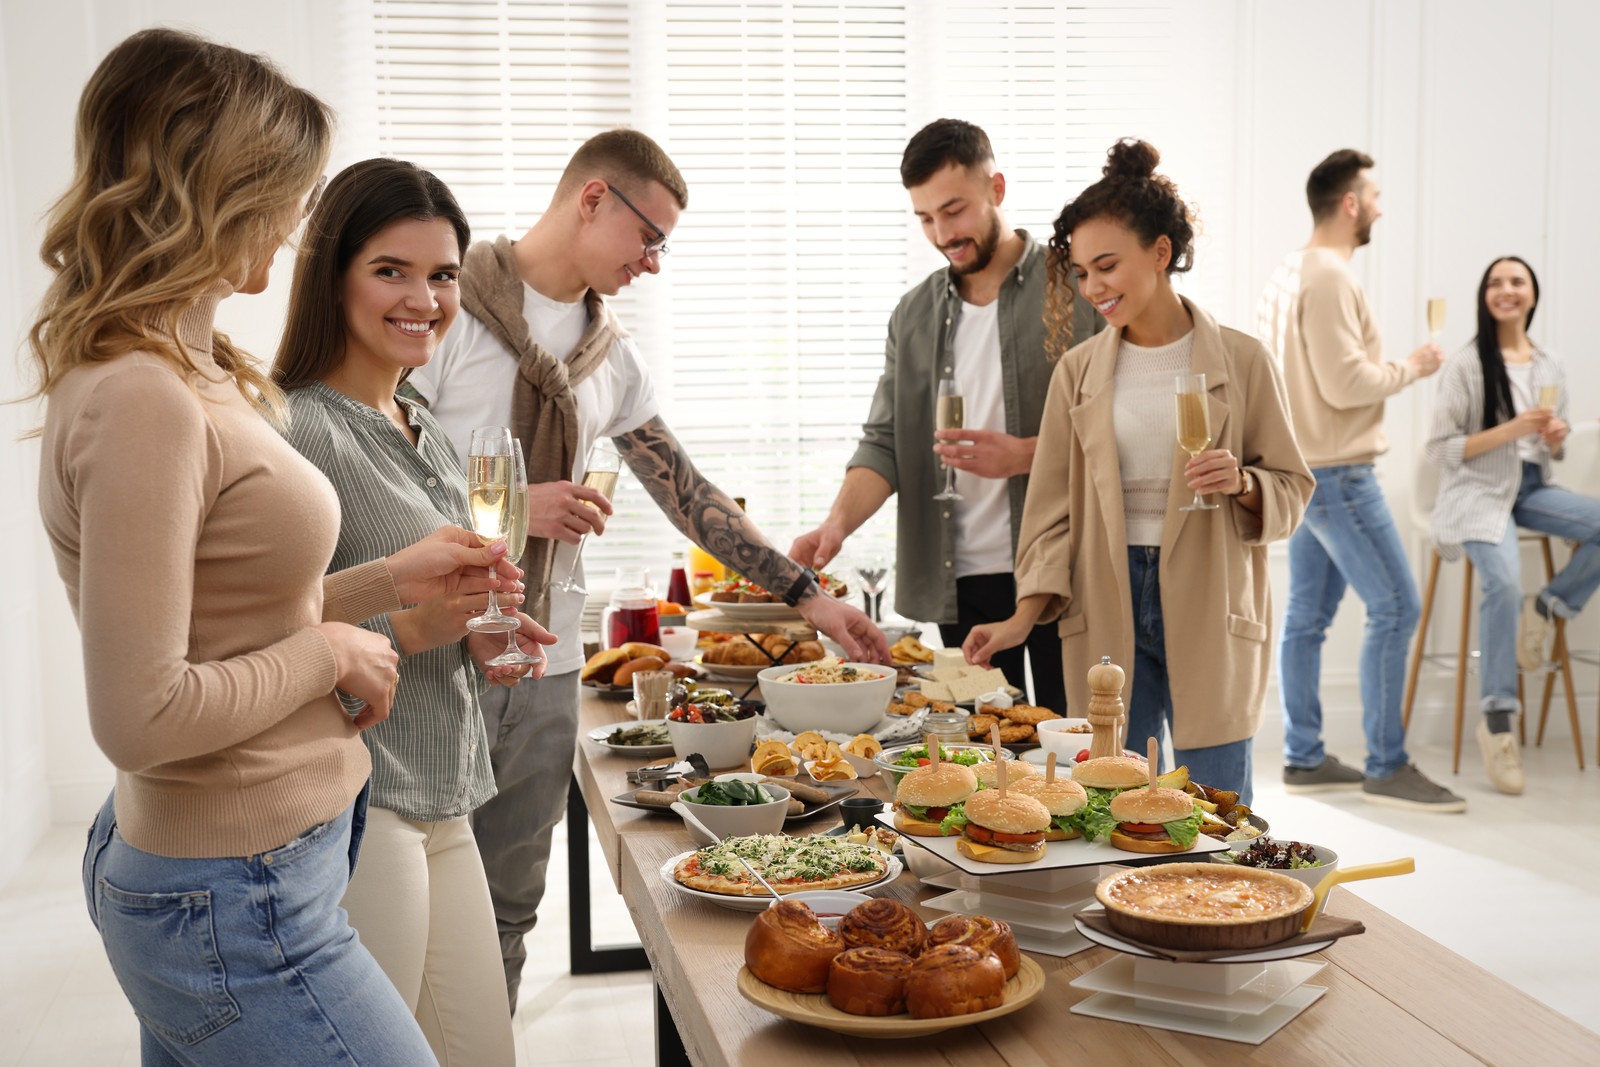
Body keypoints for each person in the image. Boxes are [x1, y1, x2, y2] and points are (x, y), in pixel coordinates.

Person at [32, 29, 508, 1065]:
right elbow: (141, 712)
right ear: (215, 189)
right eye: (286, 191)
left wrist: (386, 580)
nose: (298, 221)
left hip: (263, 865)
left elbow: (229, 614)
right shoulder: (143, 394)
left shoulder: (195, 366)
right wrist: (335, 653)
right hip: (232, 886)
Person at [404, 128, 891, 1010]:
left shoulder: (609, 355)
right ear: (594, 198)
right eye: (650, 237)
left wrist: (810, 600)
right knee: (418, 911)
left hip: (545, 658)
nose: (655, 263)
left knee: (510, 907)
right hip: (436, 654)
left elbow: (686, 490)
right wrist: (517, 510)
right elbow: (382, 483)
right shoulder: (440, 311)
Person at [273, 159, 558, 1064]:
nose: (425, 298)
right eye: (391, 270)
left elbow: (425, 598)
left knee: (484, 1052)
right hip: (366, 798)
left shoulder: (422, 421)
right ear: (332, 273)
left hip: (449, 786)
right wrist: (410, 625)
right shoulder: (296, 430)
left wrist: (477, 626)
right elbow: (270, 628)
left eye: (442, 274)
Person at [963, 139, 1313, 805]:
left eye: (1107, 266)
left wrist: (1242, 483)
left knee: (1217, 810)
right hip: (1106, 596)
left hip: (1211, 600)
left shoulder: (1243, 361)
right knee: (1115, 801)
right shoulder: (1079, 372)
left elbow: (1293, 488)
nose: (1095, 288)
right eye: (1082, 273)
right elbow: (1051, 517)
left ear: (1159, 252)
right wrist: (1020, 618)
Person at [790, 119, 1103, 713]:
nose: (942, 233)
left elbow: (1127, 420)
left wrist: (1023, 455)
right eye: (926, 219)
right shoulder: (913, 316)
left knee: (1083, 755)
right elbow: (884, 443)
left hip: (1069, 571)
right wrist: (836, 526)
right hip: (965, 586)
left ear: (997, 189)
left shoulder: (1078, 286)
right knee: (992, 762)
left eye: (954, 211)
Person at [1258, 149, 1464, 811]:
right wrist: (1414, 366)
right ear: (1349, 203)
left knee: (1306, 619)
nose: (1380, 205)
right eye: (1373, 194)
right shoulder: (1328, 276)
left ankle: (1305, 756)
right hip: (1340, 472)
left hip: (1308, 467)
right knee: (1397, 606)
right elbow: (1345, 383)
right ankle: (1387, 762)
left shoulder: (1292, 270)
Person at [1426, 256, 1598, 796]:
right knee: (1500, 580)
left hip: (1532, 487)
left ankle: (1548, 607)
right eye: (1496, 282)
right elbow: (1441, 449)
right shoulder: (1465, 364)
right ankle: (1499, 721)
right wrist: (1512, 429)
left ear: (1532, 294)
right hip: (1477, 492)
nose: (1507, 290)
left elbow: (1555, 444)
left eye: (1516, 282)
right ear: (1484, 295)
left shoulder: (1548, 364)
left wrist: (1555, 438)